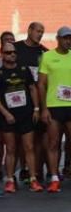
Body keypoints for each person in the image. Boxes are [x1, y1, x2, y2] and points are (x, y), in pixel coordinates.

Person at [0, 41, 41, 193]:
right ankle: (10, 180)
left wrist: (37, 109)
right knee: (11, 148)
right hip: (8, 117)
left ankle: (33, 179)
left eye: (14, 52)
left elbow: (32, 89)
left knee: (29, 147)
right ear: (2, 54)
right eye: (8, 52)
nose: (12, 54)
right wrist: (5, 113)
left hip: (26, 115)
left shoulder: (24, 70)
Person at [13, 22, 48, 182]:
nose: (40, 34)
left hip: (38, 100)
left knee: (38, 137)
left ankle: (37, 170)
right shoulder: (16, 48)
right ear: (29, 30)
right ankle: (23, 169)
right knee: (21, 138)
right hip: (18, 99)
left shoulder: (44, 52)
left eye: (42, 32)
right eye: (37, 31)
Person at [38, 26, 71, 193]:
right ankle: (54, 178)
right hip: (54, 106)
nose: (68, 41)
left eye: (70, 38)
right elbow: (41, 84)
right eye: (65, 38)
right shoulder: (48, 56)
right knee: (53, 143)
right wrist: (43, 109)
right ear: (58, 39)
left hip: (70, 106)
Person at [0, 31, 17, 181]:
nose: (10, 42)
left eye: (12, 40)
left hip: (16, 105)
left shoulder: (17, 61)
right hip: (0, 105)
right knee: (1, 139)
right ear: (1, 44)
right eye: (7, 40)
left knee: (15, 141)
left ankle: (13, 171)